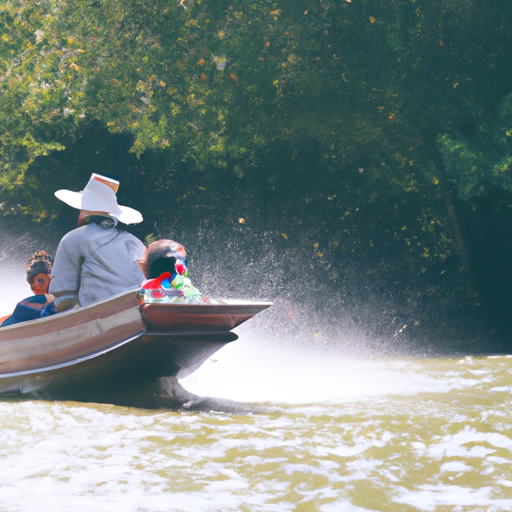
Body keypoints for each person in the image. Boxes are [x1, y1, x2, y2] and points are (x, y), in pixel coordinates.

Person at [49, 173, 146, 308]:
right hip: (141, 305)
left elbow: (64, 295)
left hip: (100, 312)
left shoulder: (73, 239)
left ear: (86, 211)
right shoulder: (133, 240)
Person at [0, 250, 56, 327]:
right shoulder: (27, 305)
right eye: (31, 281)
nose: (36, 286)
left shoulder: (24, 306)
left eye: (41, 280)